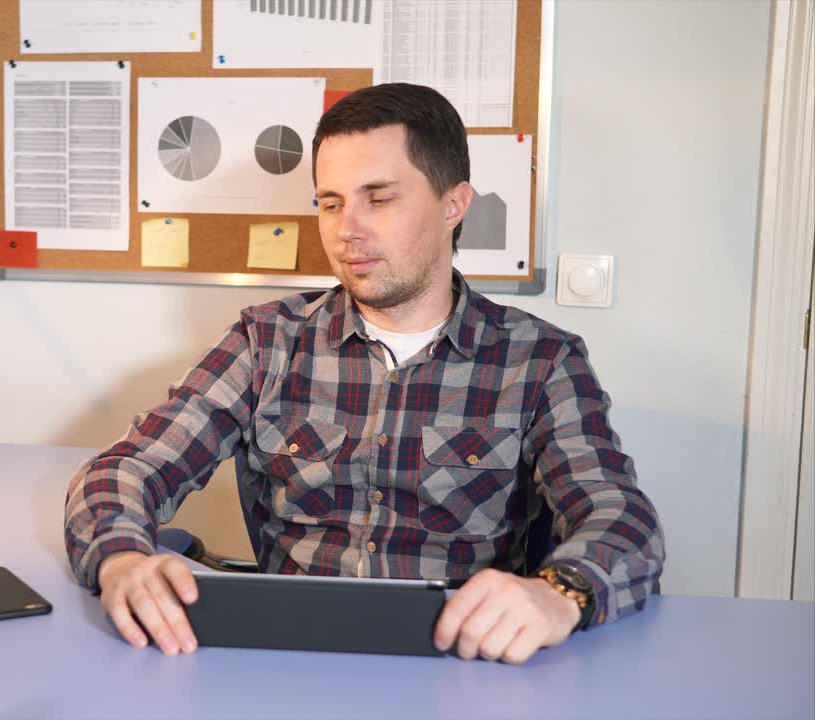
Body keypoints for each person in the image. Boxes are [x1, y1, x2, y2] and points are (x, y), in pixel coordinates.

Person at [64, 83, 665, 664]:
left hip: (461, 659)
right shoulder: (267, 339)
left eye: (379, 198)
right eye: (330, 202)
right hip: (289, 656)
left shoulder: (541, 361)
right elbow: (130, 467)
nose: (346, 229)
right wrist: (120, 558)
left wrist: (559, 594)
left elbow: (620, 516)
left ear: (453, 205)